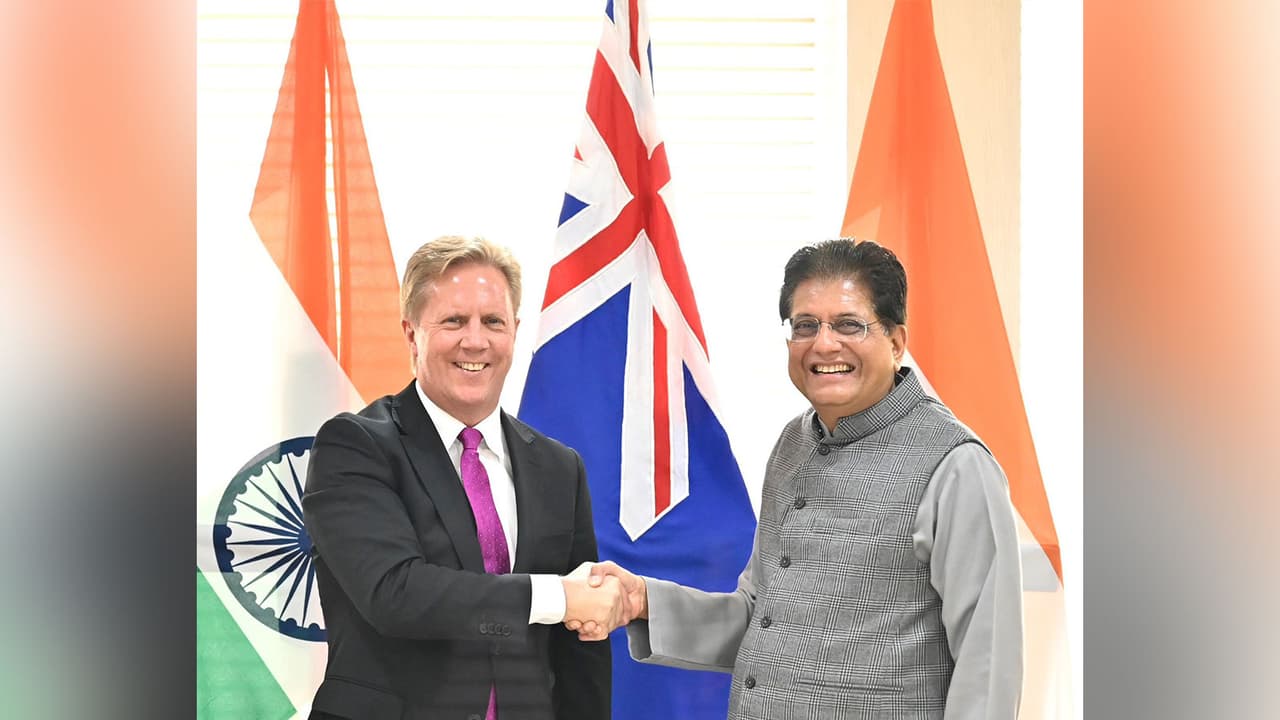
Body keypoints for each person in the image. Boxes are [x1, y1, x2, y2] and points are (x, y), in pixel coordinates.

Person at [575, 239, 1024, 719]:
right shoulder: (794, 444)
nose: (824, 343)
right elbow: (762, 617)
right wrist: (645, 601)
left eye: (849, 324)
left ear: (896, 341)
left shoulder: (956, 464)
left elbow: (988, 669)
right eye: (806, 326)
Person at [302, 235, 625, 720]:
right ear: (413, 334)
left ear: (514, 331)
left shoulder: (560, 468)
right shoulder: (355, 446)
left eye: (493, 322)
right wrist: (556, 595)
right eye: (454, 321)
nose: (476, 341)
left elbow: (580, 649)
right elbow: (396, 593)